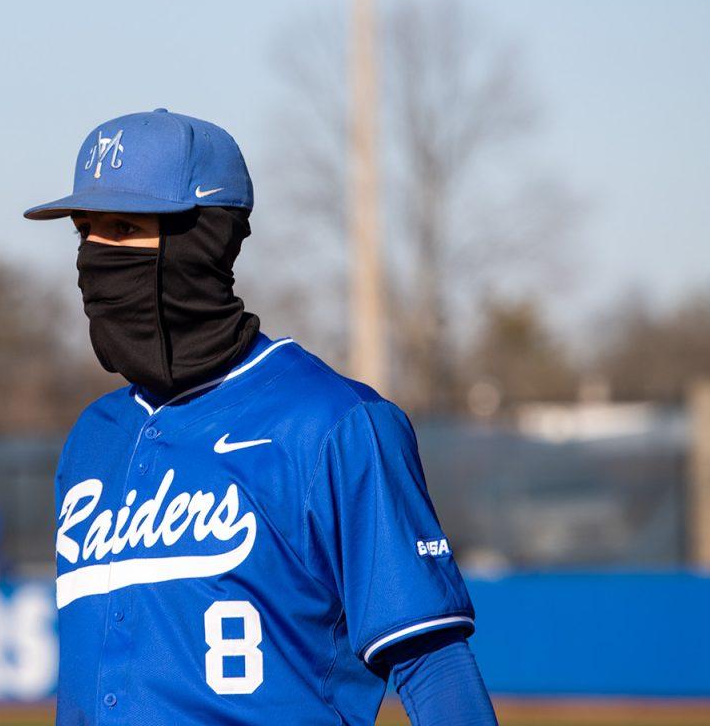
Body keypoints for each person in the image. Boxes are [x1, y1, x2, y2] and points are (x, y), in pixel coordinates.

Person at [24, 109, 497, 725]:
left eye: (121, 226)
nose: (95, 254)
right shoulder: (94, 437)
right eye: (85, 229)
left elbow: (432, 664)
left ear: (205, 240)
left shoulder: (334, 424)